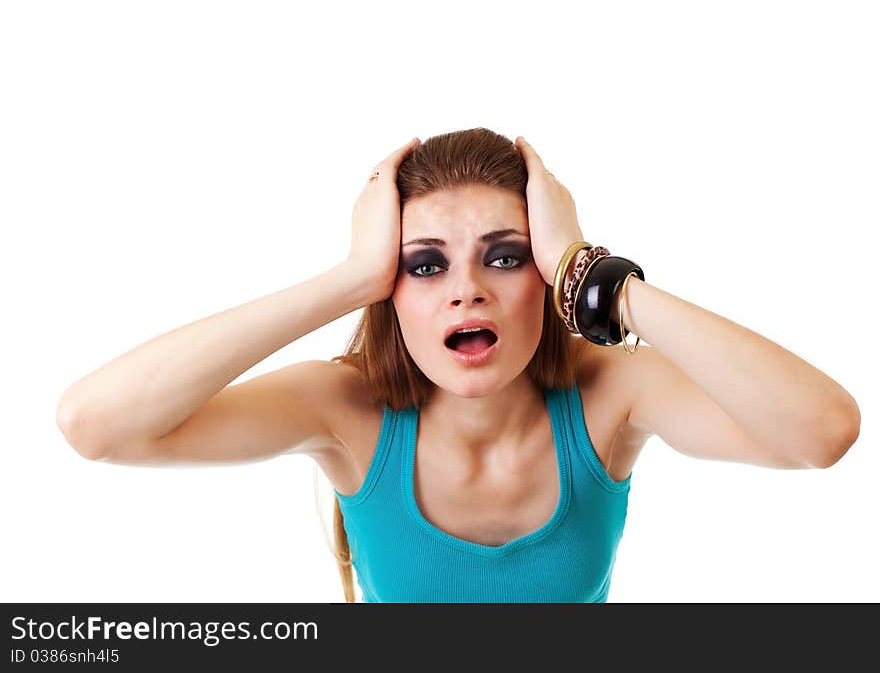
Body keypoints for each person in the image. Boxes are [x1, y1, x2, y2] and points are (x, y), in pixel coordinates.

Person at [56, 127, 862, 603]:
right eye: (426, 265)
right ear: (391, 287)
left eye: (507, 258)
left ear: (544, 279)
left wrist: (594, 276)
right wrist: (348, 278)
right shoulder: (347, 411)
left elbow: (821, 431)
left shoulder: (609, 395)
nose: (467, 292)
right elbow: (96, 426)